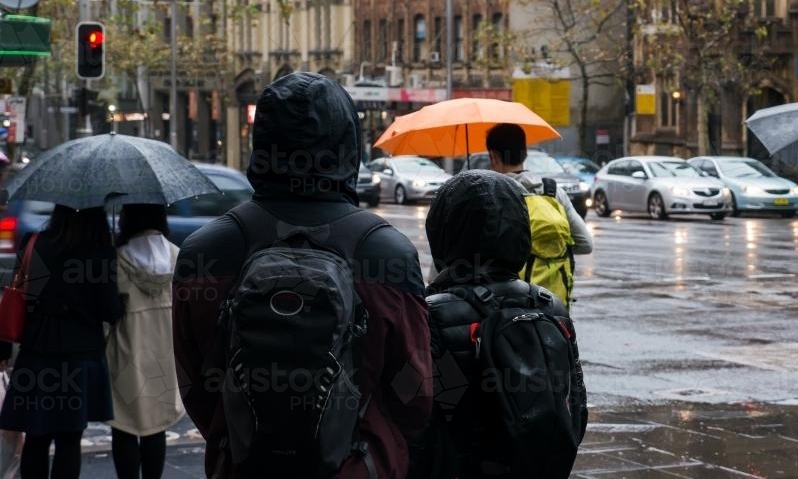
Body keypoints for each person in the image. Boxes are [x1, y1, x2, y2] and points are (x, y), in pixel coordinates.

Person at [172, 71, 432, 479]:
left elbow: (196, 389)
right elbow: (415, 396)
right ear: (348, 145)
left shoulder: (204, 252)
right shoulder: (387, 253)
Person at [409, 170, 587, 479]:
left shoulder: (432, 314)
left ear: (442, 229)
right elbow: (576, 404)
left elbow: (412, 411)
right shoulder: (549, 306)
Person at [0, 205, 125, 479]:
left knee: (36, 436)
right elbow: (109, 311)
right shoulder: (100, 252)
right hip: (80, 356)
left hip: (37, 351)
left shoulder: (35, 242)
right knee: (69, 441)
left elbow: (19, 292)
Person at [106, 203, 183, 479]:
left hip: (126, 352)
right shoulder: (176, 256)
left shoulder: (116, 260)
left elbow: (108, 312)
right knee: (155, 426)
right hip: (164, 354)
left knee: (124, 424)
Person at [485, 124, 592, 306]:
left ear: (493, 156)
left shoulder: (490, 197)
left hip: (507, 309)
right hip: (554, 311)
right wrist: (548, 251)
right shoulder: (553, 192)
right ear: (525, 153)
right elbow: (585, 244)